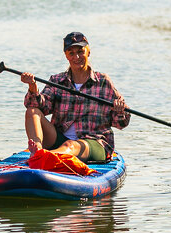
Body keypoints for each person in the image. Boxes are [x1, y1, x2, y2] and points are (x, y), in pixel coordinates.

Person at [21, 31, 130, 162]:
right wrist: (32, 87)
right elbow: (41, 107)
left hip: (94, 143)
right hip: (59, 139)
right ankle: (37, 152)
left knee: (70, 145)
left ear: (88, 52)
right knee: (32, 111)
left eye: (80, 51)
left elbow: (121, 124)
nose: (76, 57)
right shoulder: (57, 80)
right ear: (66, 56)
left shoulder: (103, 82)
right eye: (71, 53)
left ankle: (46, 158)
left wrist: (120, 111)